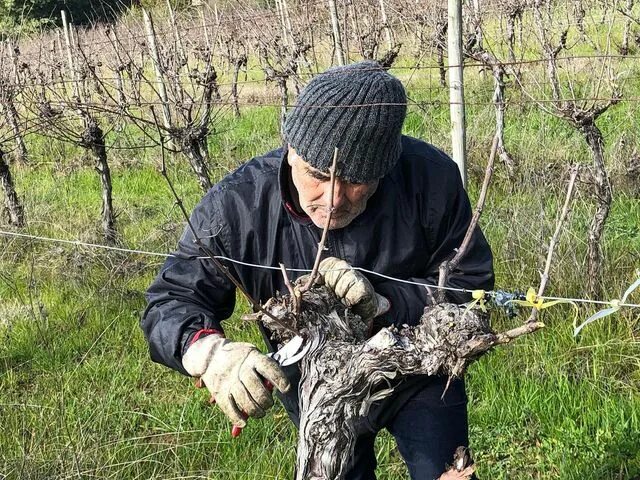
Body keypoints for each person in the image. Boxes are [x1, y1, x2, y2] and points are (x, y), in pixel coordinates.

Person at [141, 60, 494, 479]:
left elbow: (471, 285)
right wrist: (210, 353)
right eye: (316, 174)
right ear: (290, 148)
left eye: (355, 180)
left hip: (420, 373)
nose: (333, 198)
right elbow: (172, 299)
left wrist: (386, 301)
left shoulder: (430, 179)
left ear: (385, 168)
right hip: (313, 385)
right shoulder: (238, 206)